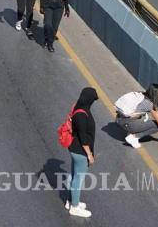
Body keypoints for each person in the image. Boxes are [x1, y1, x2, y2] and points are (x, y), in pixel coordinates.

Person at [65, 87, 98, 218]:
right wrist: (89, 155)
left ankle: (70, 201)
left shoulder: (78, 108)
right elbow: (84, 138)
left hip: (74, 148)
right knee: (78, 179)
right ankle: (74, 207)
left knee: (73, 176)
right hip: (80, 152)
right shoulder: (81, 114)